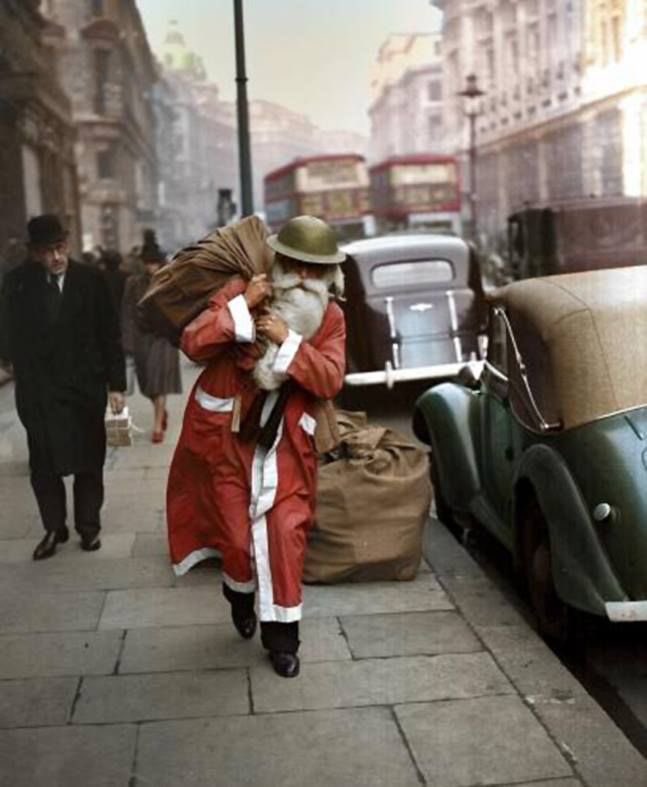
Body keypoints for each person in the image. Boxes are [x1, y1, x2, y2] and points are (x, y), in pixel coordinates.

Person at [167, 215, 346, 678]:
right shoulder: (242, 290)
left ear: (329, 274)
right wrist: (243, 308)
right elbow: (194, 342)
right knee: (237, 539)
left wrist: (289, 343)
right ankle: (240, 597)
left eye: (316, 269)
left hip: (286, 444)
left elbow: (329, 378)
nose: (305, 278)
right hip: (226, 440)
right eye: (296, 265)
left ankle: (283, 640)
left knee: (284, 535)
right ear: (280, 261)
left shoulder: (331, 317)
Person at [0, 214, 126, 560]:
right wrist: (10, 360)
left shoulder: (92, 280)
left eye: (60, 248)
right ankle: (54, 529)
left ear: (68, 244)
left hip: (84, 389)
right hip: (39, 392)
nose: (55, 257)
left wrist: (117, 385)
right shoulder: (17, 283)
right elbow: (5, 330)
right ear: (33, 253)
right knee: (43, 463)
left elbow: (110, 336)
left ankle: (89, 528)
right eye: (46, 251)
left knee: (89, 459)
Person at [121, 231, 182, 442]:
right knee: (147, 384)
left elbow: (179, 308)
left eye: (154, 263)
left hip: (164, 338)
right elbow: (127, 311)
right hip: (142, 337)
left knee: (159, 382)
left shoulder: (169, 281)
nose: (151, 267)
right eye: (148, 263)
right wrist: (127, 340)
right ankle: (160, 411)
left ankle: (157, 427)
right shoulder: (133, 283)